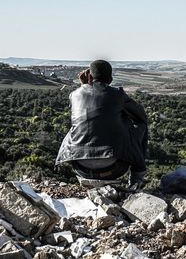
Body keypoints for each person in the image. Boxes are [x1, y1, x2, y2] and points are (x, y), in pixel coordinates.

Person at [55, 60, 148, 189]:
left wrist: (84, 84)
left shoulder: (74, 95)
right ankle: (137, 177)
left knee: (78, 126)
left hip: (80, 167)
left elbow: (90, 103)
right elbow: (141, 116)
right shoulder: (117, 95)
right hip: (114, 168)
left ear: (89, 77)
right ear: (110, 78)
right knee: (138, 124)